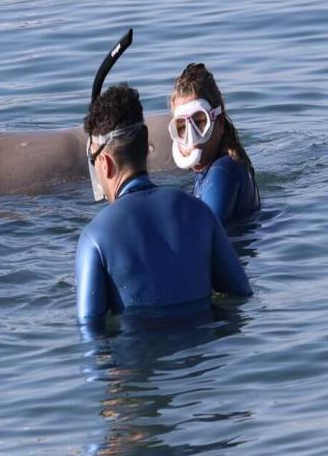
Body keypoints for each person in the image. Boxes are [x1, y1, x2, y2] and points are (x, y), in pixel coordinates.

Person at [76, 83, 251, 323]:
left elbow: (89, 330)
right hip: (203, 345)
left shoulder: (93, 239)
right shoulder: (200, 213)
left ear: (105, 164)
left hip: (137, 346)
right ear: (146, 147)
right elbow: (241, 295)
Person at [169, 62, 260, 225]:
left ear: (220, 123)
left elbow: (203, 234)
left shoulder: (221, 173)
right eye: (181, 127)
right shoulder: (211, 170)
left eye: (199, 122)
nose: (191, 138)